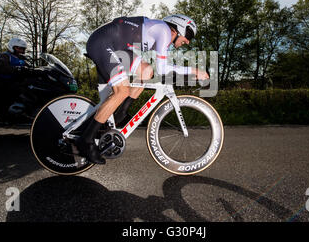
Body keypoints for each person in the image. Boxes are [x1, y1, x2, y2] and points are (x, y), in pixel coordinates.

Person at [76, 14, 209, 164]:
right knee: (122, 90)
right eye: (188, 34)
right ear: (177, 28)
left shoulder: (161, 32)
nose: (188, 41)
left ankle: (121, 112)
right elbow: (163, 68)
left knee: (147, 71)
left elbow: (159, 67)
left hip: (118, 47)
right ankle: (85, 140)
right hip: (103, 43)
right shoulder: (164, 30)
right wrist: (194, 71)